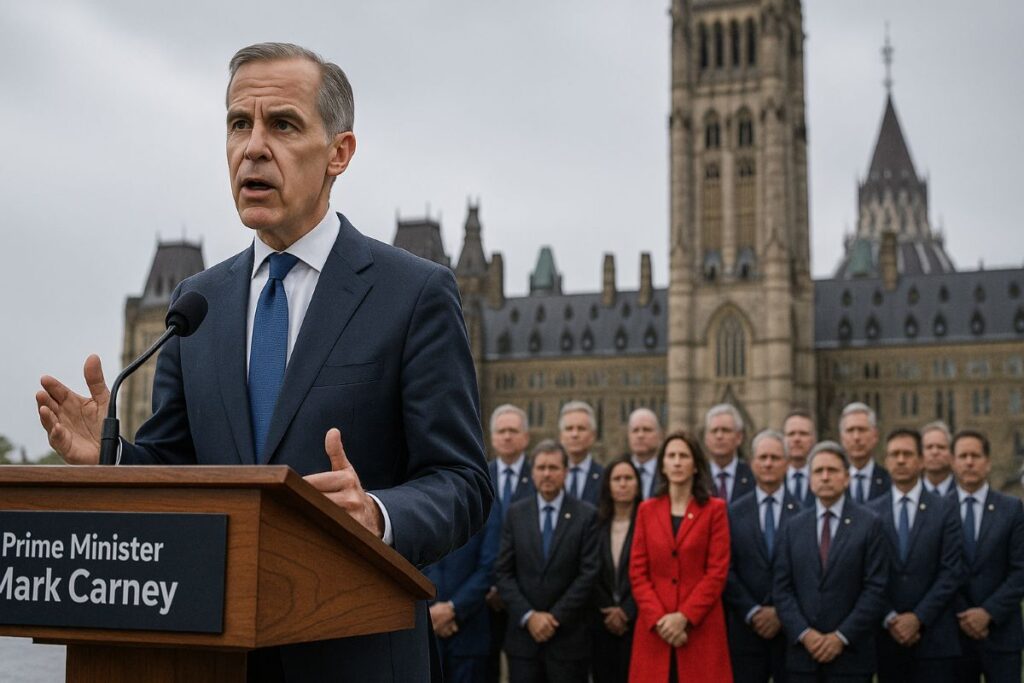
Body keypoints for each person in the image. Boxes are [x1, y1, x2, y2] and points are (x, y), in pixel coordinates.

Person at [35, 42, 491, 682]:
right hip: (206, 658)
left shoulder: (413, 294)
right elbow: (178, 471)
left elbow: (463, 483)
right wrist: (112, 455)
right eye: (237, 124)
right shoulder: (195, 302)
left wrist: (377, 515)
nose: (252, 146)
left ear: (339, 153)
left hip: (355, 657)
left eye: (282, 124)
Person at [773, 441, 888, 682]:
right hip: (803, 658)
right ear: (809, 479)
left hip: (851, 658)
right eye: (818, 471)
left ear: (846, 478)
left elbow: (875, 589)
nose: (825, 477)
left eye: (832, 471)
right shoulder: (793, 526)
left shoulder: (870, 524)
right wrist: (805, 634)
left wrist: (841, 637)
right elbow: (782, 589)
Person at [629, 431, 732, 682]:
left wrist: (684, 617)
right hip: (655, 631)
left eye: (683, 456)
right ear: (662, 465)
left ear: (695, 465)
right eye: (671, 456)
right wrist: (661, 621)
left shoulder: (714, 510)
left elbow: (717, 572)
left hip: (700, 630)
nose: (677, 462)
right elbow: (637, 572)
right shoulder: (646, 510)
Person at [496, 440, 600, 683]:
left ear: (565, 472)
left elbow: (589, 574)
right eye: (541, 468)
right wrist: (529, 616)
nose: (547, 474)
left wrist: (554, 618)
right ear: (532, 473)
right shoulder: (515, 513)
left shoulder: (586, 515)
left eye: (553, 468)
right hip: (524, 642)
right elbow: (503, 572)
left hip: (568, 640)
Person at [866, 428, 962, 682]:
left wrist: (918, 618)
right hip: (887, 637)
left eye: (907, 454)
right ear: (885, 461)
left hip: (935, 638)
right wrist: (891, 618)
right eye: (894, 454)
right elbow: (867, 573)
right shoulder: (870, 513)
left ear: (921, 460)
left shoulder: (946, 510)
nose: (900, 460)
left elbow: (951, 571)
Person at [725, 430, 800, 683]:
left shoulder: (803, 514)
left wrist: (780, 612)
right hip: (744, 631)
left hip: (789, 631)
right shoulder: (732, 513)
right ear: (752, 464)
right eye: (763, 457)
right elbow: (726, 569)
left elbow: (805, 573)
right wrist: (753, 611)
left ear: (787, 464)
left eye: (775, 458)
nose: (768, 463)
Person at [950, 429, 1024, 682]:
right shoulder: (938, 510)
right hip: (954, 636)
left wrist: (988, 613)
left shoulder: (1012, 509)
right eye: (963, 456)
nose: (969, 462)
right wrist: (966, 615)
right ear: (953, 462)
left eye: (976, 455)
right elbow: (937, 571)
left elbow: (1020, 571)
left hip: (1002, 634)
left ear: (988, 462)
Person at [424, 504, 502, 683]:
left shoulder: (487, 506)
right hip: (427, 632)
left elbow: (489, 568)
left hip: (469, 631)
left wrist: (453, 609)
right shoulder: (420, 502)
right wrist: (430, 611)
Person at [484, 404, 534, 683]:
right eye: (501, 431)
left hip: (523, 596)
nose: (506, 437)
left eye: (513, 431)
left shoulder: (540, 478)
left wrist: (508, 588)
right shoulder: (479, 478)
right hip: (482, 599)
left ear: (525, 437)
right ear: (493, 438)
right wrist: (490, 585)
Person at [590, 457, 642, 683]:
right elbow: (590, 569)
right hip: (601, 621)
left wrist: (627, 610)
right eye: (617, 479)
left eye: (628, 478)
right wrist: (608, 609)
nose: (623, 484)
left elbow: (647, 571)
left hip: (637, 621)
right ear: (607, 485)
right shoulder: (595, 523)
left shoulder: (647, 522)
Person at [704, 404, 754, 504]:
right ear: (706, 438)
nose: (719, 436)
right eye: (714, 431)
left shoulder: (752, 476)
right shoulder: (698, 477)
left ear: (739, 437)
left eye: (725, 430)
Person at [839, 402, 889, 503]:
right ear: (842, 438)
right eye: (850, 430)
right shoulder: (834, 481)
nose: (856, 437)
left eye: (862, 430)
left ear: (875, 435)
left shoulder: (889, 481)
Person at [559, 401, 603, 505]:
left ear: (593, 436)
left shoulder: (604, 478)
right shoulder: (548, 475)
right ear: (561, 436)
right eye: (569, 429)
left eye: (581, 429)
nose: (575, 434)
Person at [783, 409, 817, 507]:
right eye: (791, 434)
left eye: (803, 434)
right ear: (784, 439)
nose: (797, 439)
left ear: (813, 438)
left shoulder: (823, 476)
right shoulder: (775, 479)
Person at [626, 408, 662, 500]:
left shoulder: (667, 474)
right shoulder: (619, 472)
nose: (640, 435)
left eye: (647, 430)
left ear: (659, 435)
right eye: (635, 430)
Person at [920, 421, 954, 497]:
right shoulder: (912, 493)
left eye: (941, 447)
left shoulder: (963, 491)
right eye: (929, 447)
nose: (935, 452)